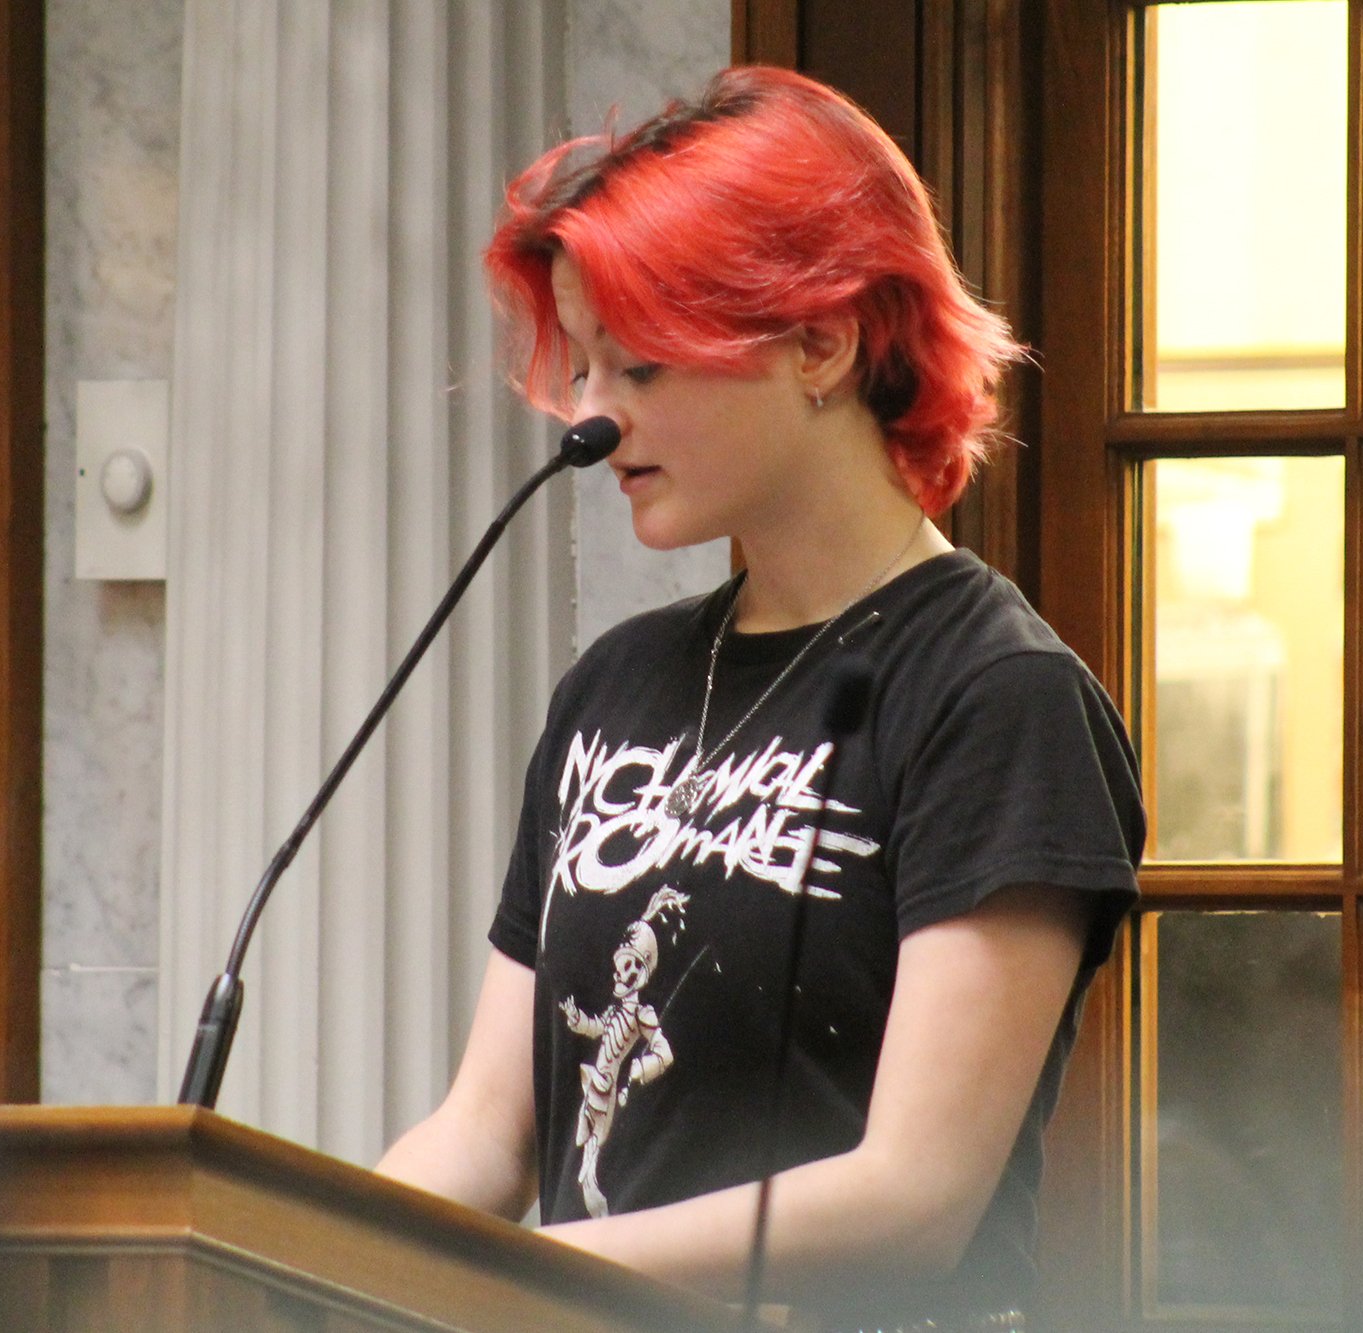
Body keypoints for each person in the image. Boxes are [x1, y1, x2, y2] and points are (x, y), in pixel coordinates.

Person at [373, 66, 1144, 1331]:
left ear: (820, 344)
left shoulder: (995, 695)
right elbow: (484, 1129)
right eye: (584, 369)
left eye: (640, 370)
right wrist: (297, 1254)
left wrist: (536, 1276)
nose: (589, 419)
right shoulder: (613, 685)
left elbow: (914, 1194)